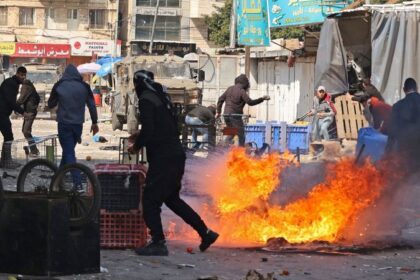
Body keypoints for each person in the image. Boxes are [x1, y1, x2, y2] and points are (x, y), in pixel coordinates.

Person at [128, 70, 218, 256]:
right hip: (175, 155)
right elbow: (162, 128)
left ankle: (158, 242)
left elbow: (149, 129)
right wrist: (141, 138)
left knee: (150, 200)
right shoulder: (161, 98)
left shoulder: (146, 98)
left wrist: (136, 146)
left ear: (138, 85)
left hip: (164, 158)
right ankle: (205, 233)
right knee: (172, 200)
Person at [48, 64, 99, 172]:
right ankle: (58, 179)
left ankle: (77, 183)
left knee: (69, 152)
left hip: (64, 124)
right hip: (77, 125)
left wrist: (59, 99)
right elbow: (92, 106)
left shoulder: (59, 85)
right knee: (67, 151)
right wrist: (94, 122)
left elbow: (51, 103)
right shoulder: (84, 86)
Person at [216, 74, 270, 146]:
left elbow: (220, 99)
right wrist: (262, 99)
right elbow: (250, 102)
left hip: (226, 115)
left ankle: (223, 147)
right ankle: (241, 151)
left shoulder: (229, 89)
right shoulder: (242, 91)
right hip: (235, 116)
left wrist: (218, 112)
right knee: (241, 134)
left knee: (232, 132)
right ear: (245, 83)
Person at [386, 78, 420, 171]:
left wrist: (387, 152)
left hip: (405, 151)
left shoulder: (397, 106)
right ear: (416, 88)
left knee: (408, 179)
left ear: (404, 89)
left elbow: (392, 130)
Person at [0, 66, 26, 168]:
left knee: (8, 136)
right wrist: (22, 111)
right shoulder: (11, 84)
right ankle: (6, 162)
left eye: (24, 75)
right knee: (9, 136)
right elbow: (10, 101)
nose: (23, 77)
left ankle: (4, 161)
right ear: (18, 74)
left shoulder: (13, 83)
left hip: (3, 113)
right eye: (22, 75)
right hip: (1, 113)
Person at [17, 79, 40, 156]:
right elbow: (38, 98)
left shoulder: (25, 86)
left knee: (26, 131)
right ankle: (34, 150)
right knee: (25, 131)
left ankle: (34, 151)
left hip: (30, 112)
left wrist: (14, 105)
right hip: (30, 111)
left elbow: (21, 99)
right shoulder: (30, 86)